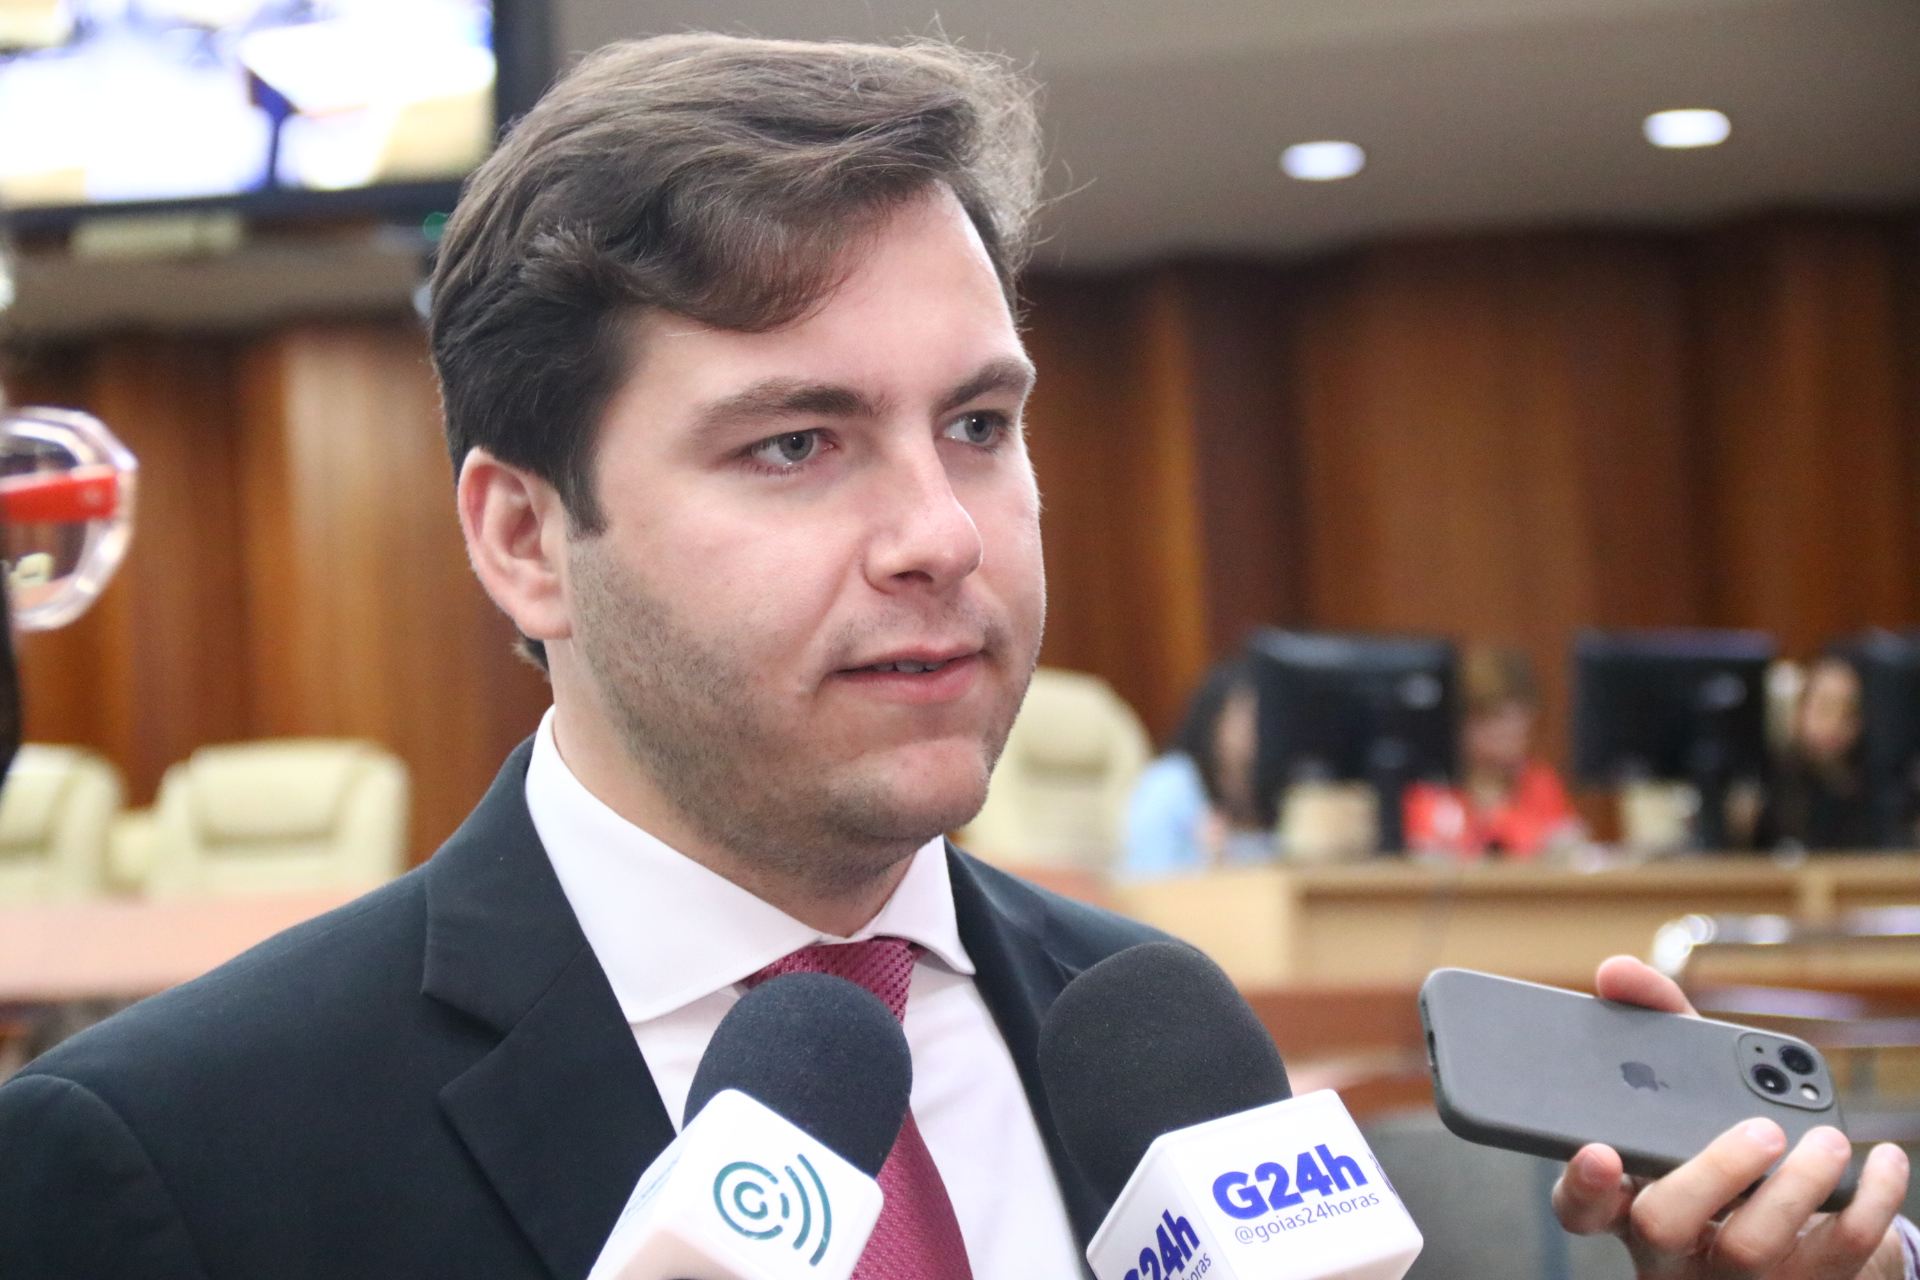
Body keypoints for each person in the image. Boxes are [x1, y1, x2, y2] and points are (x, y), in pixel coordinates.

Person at [0, 34, 1911, 1280]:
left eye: (981, 425)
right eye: (796, 443)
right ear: (522, 539)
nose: (941, 532)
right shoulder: (161, 1161)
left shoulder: (1158, 1041)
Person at [1404, 644, 1582, 861]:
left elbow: (1568, 852)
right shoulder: (1429, 790)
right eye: (1498, 717)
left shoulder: (1541, 783)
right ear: (1460, 723)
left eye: (1521, 715)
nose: (1515, 729)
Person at [1120, 658, 1273, 876]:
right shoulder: (1170, 783)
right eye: (1250, 716)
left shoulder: (1287, 788)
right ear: (1214, 719)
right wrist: (1211, 863)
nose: (1265, 729)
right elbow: (1144, 878)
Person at [1759, 654, 1874, 851]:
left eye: (1848, 712)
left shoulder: (1875, 785)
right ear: (1799, 710)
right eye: (1825, 708)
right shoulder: (1770, 778)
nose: (1835, 723)